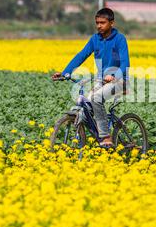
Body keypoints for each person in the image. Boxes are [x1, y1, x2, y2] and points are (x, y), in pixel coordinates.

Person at [52, 8, 130, 148]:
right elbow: (81, 55)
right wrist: (65, 73)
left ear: (111, 23)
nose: (99, 25)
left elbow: (125, 63)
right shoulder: (95, 39)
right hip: (102, 80)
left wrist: (113, 75)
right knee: (88, 103)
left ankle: (106, 136)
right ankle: (96, 133)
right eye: (97, 22)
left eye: (103, 22)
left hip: (120, 80)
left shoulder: (120, 39)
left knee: (96, 99)